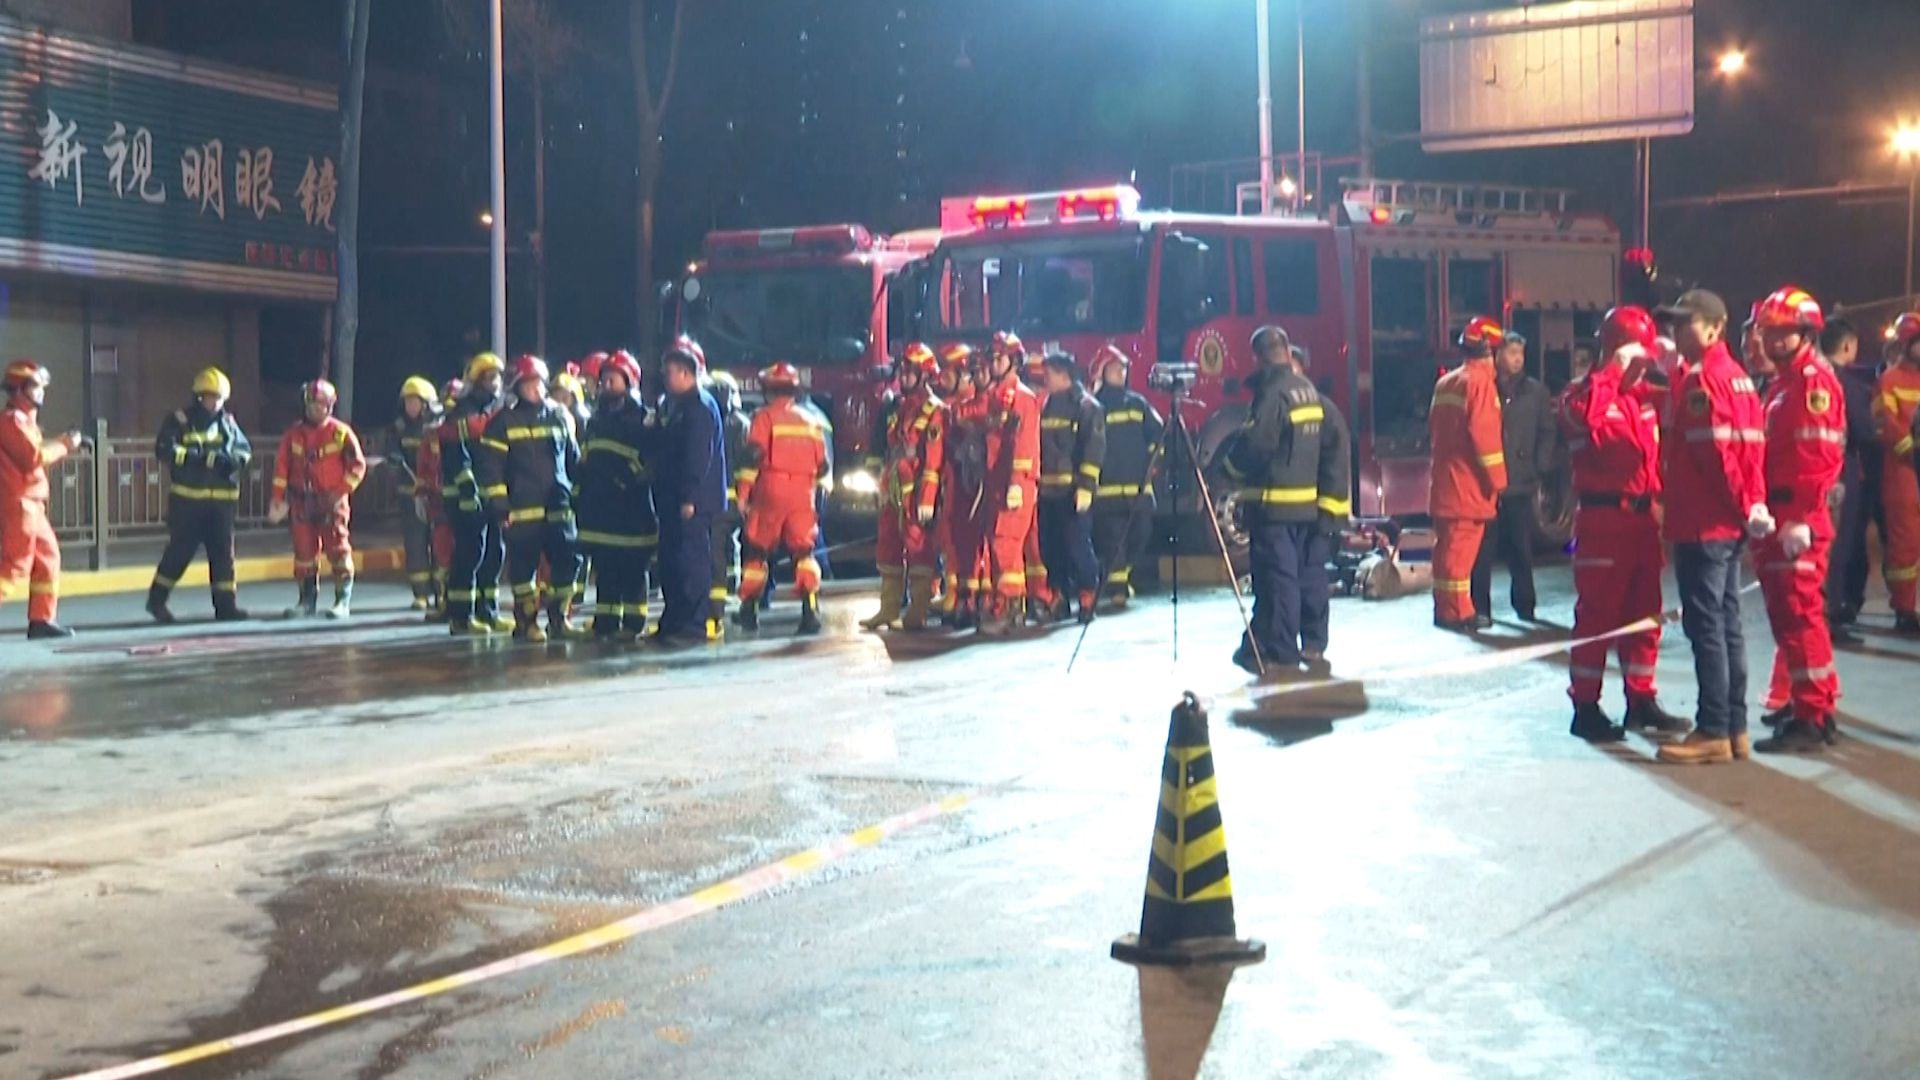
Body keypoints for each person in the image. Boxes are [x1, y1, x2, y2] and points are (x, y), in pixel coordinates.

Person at [1555, 307, 1687, 743]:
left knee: (1645, 615)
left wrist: (1677, 366)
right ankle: (1585, 707)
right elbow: (1583, 421)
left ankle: (1641, 699)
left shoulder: (1644, 398)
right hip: (1602, 521)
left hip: (1643, 522)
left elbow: (1690, 405)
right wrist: (1612, 372)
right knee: (1597, 617)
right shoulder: (1581, 395)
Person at [1653, 290, 1772, 764]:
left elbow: (1717, 458)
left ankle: (1713, 730)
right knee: (1727, 625)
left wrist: (1743, 504)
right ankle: (1735, 727)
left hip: (1703, 522)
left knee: (1707, 628)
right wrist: (1752, 505)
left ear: (1714, 327)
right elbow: (1751, 453)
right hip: (1730, 523)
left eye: (1687, 323)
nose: (1678, 331)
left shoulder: (1702, 382)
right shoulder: (1738, 378)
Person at [1751, 286, 1848, 753]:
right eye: (1768, 331)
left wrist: (1804, 519)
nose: (1772, 340)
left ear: (1806, 333)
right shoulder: (1785, 382)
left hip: (1797, 516)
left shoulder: (1811, 382)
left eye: (1783, 332)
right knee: (1790, 619)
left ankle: (1812, 716)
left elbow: (1820, 455)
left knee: (1801, 616)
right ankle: (1813, 705)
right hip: (1781, 514)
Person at [1221, 325, 1330, 675]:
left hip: (1275, 505)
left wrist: (1229, 469)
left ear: (1258, 357)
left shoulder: (1273, 394)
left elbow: (1258, 445)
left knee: (1278, 581)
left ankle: (1282, 650)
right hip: (1303, 505)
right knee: (1286, 578)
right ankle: (1261, 644)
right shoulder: (1306, 390)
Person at [478, 355, 582, 643]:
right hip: (522, 510)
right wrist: (500, 506)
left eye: (538, 382)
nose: (536, 388)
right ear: (517, 387)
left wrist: (578, 495)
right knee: (523, 570)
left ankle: (559, 618)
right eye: (528, 384)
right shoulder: (501, 423)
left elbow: (573, 460)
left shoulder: (559, 416)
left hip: (559, 508)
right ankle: (526, 622)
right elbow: (491, 469)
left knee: (569, 561)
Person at [148, 367, 251, 624]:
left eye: (218, 398)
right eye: (209, 397)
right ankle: (156, 601)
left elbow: (244, 450)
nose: (214, 403)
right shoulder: (180, 420)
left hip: (222, 505)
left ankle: (226, 607)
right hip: (188, 503)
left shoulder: (228, 423)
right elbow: (164, 449)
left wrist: (234, 460)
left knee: (223, 557)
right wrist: (201, 458)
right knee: (178, 554)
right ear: (198, 396)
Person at [734, 362, 830, 635]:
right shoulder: (811, 421)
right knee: (804, 552)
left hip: (770, 490)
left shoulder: (763, 418)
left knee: (757, 550)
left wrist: (743, 495)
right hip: (803, 494)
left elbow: (753, 459)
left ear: (767, 389)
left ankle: (749, 609)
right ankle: (810, 609)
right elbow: (823, 466)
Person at [1428, 316, 1509, 630]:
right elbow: (1485, 439)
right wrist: (1498, 482)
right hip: (1469, 487)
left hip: (1445, 483)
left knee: (1446, 551)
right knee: (1459, 557)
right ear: (1491, 351)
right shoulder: (1481, 384)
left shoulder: (1447, 382)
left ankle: (1444, 608)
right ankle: (1458, 613)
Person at [1471, 331, 1554, 624]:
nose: (1517, 359)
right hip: (1488, 484)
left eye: (1521, 354)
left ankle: (1525, 605)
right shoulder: (1485, 389)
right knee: (1483, 551)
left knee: (1521, 548)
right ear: (1497, 355)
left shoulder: (1536, 393)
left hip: (1520, 482)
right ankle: (1480, 609)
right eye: (1511, 353)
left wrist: (1539, 465)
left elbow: (1547, 431)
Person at [862, 343, 947, 631]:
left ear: (925, 375)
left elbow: (934, 459)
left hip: (916, 488)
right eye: (903, 370)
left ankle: (919, 608)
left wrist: (928, 498)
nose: (904, 376)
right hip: (893, 484)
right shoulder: (897, 406)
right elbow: (887, 446)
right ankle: (888, 609)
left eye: (911, 371)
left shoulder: (935, 409)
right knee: (888, 545)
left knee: (918, 546)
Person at [576, 350, 657, 641]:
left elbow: (651, 461)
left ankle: (634, 624)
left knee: (633, 570)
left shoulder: (644, 420)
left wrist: (628, 479)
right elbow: (586, 458)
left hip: (631, 509)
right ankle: (606, 623)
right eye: (605, 379)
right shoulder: (596, 419)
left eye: (614, 379)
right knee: (606, 570)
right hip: (600, 509)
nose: (607, 384)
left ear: (630, 381)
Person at [270, 379, 367, 619]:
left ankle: (342, 600)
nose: (317, 409)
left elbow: (357, 466)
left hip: (331, 503)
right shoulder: (293, 435)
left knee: (338, 549)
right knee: (304, 554)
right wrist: (277, 499)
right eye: (313, 404)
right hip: (301, 502)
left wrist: (340, 491)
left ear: (330, 406)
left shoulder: (340, 433)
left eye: (322, 404)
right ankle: (306, 601)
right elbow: (281, 468)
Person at [0, 360, 83, 639]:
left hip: (31, 502)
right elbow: (32, 458)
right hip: (20, 502)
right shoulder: (12, 421)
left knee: (48, 558)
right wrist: (65, 444)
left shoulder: (23, 421)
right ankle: (41, 620)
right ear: (18, 389)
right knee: (15, 565)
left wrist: (61, 443)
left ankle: (41, 620)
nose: (41, 392)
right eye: (35, 386)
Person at [654, 336, 725, 646]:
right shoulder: (676, 406)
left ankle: (693, 626)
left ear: (686, 373)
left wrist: (689, 497)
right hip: (673, 499)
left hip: (693, 503)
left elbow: (698, 457)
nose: (665, 377)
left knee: (691, 564)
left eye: (669, 372)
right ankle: (673, 622)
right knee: (671, 562)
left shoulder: (699, 407)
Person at [440, 352, 512, 636]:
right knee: (470, 553)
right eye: (490, 377)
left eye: (498, 377)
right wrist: (467, 488)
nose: (496, 382)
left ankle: (487, 612)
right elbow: (455, 455)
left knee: (494, 552)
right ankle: (461, 616)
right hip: (465, 497)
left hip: (491, 494)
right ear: (477, 380)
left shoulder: (499, 411)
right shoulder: (460, 413)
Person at [1089, 345, 1164, 609]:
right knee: (1113, 540)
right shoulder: (1094, 407)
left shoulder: (1137, 403)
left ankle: (1117, 577)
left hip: (1138, 488)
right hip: (1107, 490)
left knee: (1141, 533)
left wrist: (1155, 460)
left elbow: (1157, 434)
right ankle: (1117, 588)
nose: (1120, 373)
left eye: (1123, 368)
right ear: (1101, 371)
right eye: (1114, 368)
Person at [978, 331, 1042, 637]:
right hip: (997, 481)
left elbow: (1023, 443)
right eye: (991, 358)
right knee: (999, 544)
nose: (993, 364)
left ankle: (1009, 606)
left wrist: (1017, 482)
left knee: (1005, 543)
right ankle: (1007, 605)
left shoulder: (1022, 398)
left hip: (1016, 483)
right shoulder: (995, 397)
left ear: (1014, 361)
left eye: (998, 358)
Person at [1036, 351, 1106, 624]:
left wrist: (1086, 487)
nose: (1044, 379)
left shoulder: (1086, 407)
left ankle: (1088, 595)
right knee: (1051, 549)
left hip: (1073, 493)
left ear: (1064, 375)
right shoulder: (1044, 405)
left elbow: (1094, 448)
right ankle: (1060, 597)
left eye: (1048, 374)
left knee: (1078, 548)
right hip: (1047, 492)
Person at [1822, 318, 1876, 642]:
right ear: (1847, 345)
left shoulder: (1806, 378)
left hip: (1814, 473)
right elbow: (1865, 432)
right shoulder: (1846, 383)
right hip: (1844, 469)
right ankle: (1831, 614)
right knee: (1840, 545)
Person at [1872, 313, 1920, 634]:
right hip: (1902, 470)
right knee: (1905, 541)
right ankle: (1904, 609)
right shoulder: (1889, 381)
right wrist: (1912, 451)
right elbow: (1886, 426)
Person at [936, 344, 989, 628]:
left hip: (972, 485)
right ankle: (958, 596)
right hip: (953, 484)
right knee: (954, 542)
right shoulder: (951, 407)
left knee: (973, 543)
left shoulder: (979, 405)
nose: (942, 380)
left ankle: (976, 601)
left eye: (948, 375)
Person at [414, 378, 463, 623]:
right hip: (440, 505)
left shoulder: (473, 430)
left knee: (466, 555)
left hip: (466, 504)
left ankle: (467, 606)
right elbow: (424, 469)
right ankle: (444, 603)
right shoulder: (432, 436)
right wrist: (420, 495)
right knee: (443, 557)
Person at [391, 376, 442, 611]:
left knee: (440, 543)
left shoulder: (439, 427)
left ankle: (442, 591)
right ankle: (421, 594)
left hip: (435, 495)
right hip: (410, 495)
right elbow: (391, 449)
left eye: (415, 401)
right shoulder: (399, 427)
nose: (410, 406)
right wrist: (393, 458)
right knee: (415, 544)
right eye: (408, 401)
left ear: (427, 403)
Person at [710, 370, 749, 639]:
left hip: (723, 500)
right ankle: (733, 587)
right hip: (735, 500)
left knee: (717, 552)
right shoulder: (741, 423)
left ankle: (717, 603)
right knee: (730, 547)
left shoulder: (717, 422)